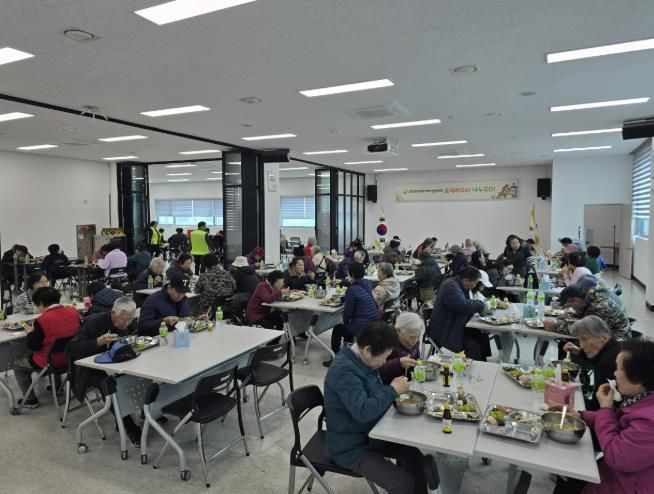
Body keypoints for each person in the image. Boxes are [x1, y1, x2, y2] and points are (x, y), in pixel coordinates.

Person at [324, 321, 431, 494]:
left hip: (371, 434)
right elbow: (363, 411)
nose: (384, 362)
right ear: (367, 350)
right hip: (350, 447)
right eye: (384, 357)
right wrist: (392, 390)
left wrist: (394, 388)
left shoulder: (361, 360)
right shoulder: (345, 371)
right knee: (402, 483)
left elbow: (373, 392)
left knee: (414, 455)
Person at [552, 339, 654, 494]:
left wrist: (605, 408)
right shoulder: (643, 398)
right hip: (612, 474)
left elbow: (617, 456)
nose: (614, 373)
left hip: (625, 486)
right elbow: (618, 422)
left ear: (638, 380)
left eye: (619, 369)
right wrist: (580, 415)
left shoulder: (650, 421)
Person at [65, 297, 141, 444]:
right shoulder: (93, 322)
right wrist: (97, 342)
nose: (127, 323)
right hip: (90, 368)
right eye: (124, 319)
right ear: (113, 313)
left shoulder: (129, 322)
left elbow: (135, 336)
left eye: (130, 319)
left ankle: (149, 412)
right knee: (109, 383)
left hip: (118, 363)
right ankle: (127, 425)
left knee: (137, 376)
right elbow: (70, 349)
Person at [12, 287, 80, 408]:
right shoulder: (73, 311)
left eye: (37, 306)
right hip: (73, 357)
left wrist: (30, 332)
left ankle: (30, 400)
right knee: (54, 349)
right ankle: (57, 387)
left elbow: (33, 346)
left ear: (41, 303)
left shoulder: (41, 320)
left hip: (51, 361)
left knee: (17, 364)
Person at [324, 263, 379, 367]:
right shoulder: (367, 283)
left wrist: (344, 322)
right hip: (374, 321)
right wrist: (341, 281)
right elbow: (353, 283)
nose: (347, 275)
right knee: (348, 328)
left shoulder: (351, 290)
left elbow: (348, 313)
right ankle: (347, 354)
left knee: (338, 329)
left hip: (363, 325)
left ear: (352, 275)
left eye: (348, 273)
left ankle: (334, 358)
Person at [427, 266, 488, 360]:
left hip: (452, 324)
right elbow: (462, 305)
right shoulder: (450, 285)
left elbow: (465, 304)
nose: (475, 286)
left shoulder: (458, 285)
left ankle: (482, 361)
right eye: (475, 283)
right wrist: (480, 305)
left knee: (482, 335)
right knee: (474, 345)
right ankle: (473, 364)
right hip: (443, 331)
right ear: (466, 280)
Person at [563, 316, 620, 411]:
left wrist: (569, 400)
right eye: (579, 340)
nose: (581, 346)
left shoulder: (608, 363)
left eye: (584, 339)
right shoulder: (614, 347)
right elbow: (598, 359)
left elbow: (597, 406)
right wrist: (579, 352)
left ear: (604, 337)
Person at [544, 284, 631, 341]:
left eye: (570, 305)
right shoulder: (590, 300)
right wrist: (567, 317)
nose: (571, 307)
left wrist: (556, 325)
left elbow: (587, 331)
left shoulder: (600, 306)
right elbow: (584, 318)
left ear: (576, 300)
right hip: (606, 336)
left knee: (569, 345)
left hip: (617, 342)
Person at [378, 312, 423, 384]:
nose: (414, 341)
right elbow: (375, 369)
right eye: (411, 337)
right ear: (398, 330)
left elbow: (416, 358)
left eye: (418, 337)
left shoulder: (415, 337)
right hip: (386, 383)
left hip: (407, 381)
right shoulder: (384, 340)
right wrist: (398, 363)